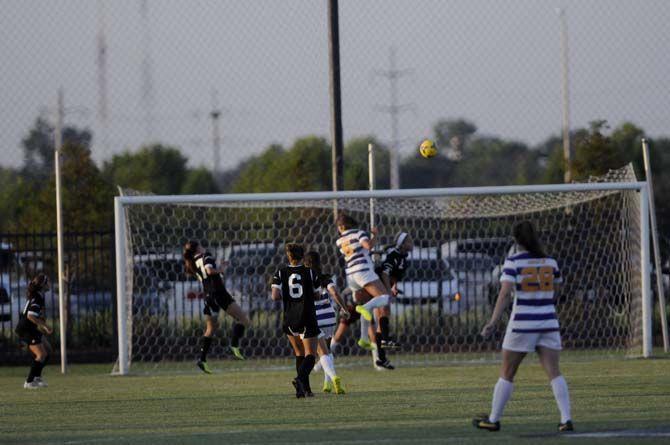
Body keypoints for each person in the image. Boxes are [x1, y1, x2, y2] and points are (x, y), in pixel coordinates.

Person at [473, 221, 574, 433]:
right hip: (548, 322)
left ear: (516, 240)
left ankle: (493, 419)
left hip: (522, 325)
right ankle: (566, 419)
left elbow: (504, 294)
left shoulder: (513, 262)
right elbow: (557, 290)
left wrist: (492, 322)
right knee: (554, 372)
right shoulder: (550, 263)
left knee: (507, 372)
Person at [335, 213, 394, 370]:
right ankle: (381, 345)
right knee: (386, 300)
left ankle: (367, 342)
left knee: (372, 313)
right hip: (363, 272)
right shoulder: (359, 233)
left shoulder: (339, 241)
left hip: (351, 277)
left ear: (340, 227)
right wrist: (374, 235)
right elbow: (368, 246)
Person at [183, 240, 250, 374]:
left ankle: (202, 359)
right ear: (198, 249)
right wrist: (221, 269)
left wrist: (219, 270)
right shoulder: (206, 255)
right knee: (244, 319)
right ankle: (234, 345)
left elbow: (206, 276)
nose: (204, 246)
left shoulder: (193, 264)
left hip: (208, 297)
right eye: (201, 245)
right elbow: (209, 271)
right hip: (219, 294)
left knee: (210, 329)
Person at [271, 243, 320, 398]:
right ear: (302, 256)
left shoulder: (280, 273)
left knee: (299, 353)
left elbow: (275, 296)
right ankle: (299, 380)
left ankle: (304, 390)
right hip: (307, 316)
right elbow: (317, 295)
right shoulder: (310, 273)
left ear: (288, 256)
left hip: (290, 318)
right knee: (310, 355)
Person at [304, 251, 348, 394]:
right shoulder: (326, 278)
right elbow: (335, 293)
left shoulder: (304, 279)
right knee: (327, 351)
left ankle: (334, 377)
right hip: (329, 317)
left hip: (315, 318)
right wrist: (344, 308)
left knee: (321, 353)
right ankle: (326, 384)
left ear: (306, 263)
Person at [15, 273, 52, 389]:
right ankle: (29, 381)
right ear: (43, 285)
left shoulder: (37, 295)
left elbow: (33, 314)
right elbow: (30, 316)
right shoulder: (37, 297)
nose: (50, 284)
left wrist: (41, 321)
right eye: (48, 282)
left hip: (30, 328)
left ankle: (37, 378)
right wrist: (44, 326)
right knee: (41, 354)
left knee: (48, 350)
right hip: (26, 329)